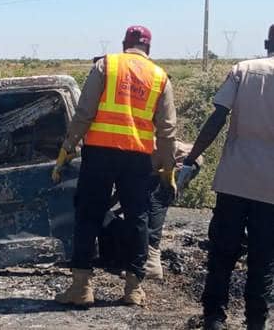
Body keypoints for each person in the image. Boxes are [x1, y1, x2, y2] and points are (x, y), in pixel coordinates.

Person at [52, 25, 177, 307]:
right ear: (148, 48)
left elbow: (84, 113)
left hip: (99, 153)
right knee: (138, 220)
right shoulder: (160, 77)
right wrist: (168, 170)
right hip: (137, 159)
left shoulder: (105, 66)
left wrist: (67, 148)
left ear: (124, 44)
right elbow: (168, 131)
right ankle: (133, 290)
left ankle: (81, 288)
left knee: (88, 215)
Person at [183, 24, 274, 330]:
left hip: (234, 180)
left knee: (223, 252)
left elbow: (217, 117)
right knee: (264, 260)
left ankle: (214, 319)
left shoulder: (244, 70)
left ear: (266, 43)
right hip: (271, 189)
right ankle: (256, 323)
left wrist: (192, 156)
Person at [99, 141, 203, 280]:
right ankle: (144, 258)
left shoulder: (127, 154)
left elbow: (125, 195)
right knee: (148, 202)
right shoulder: (127, 154)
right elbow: (127, 197)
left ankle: (151, 264)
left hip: (181, 160)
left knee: (156, 202)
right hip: (177, 159)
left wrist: (105, 209)